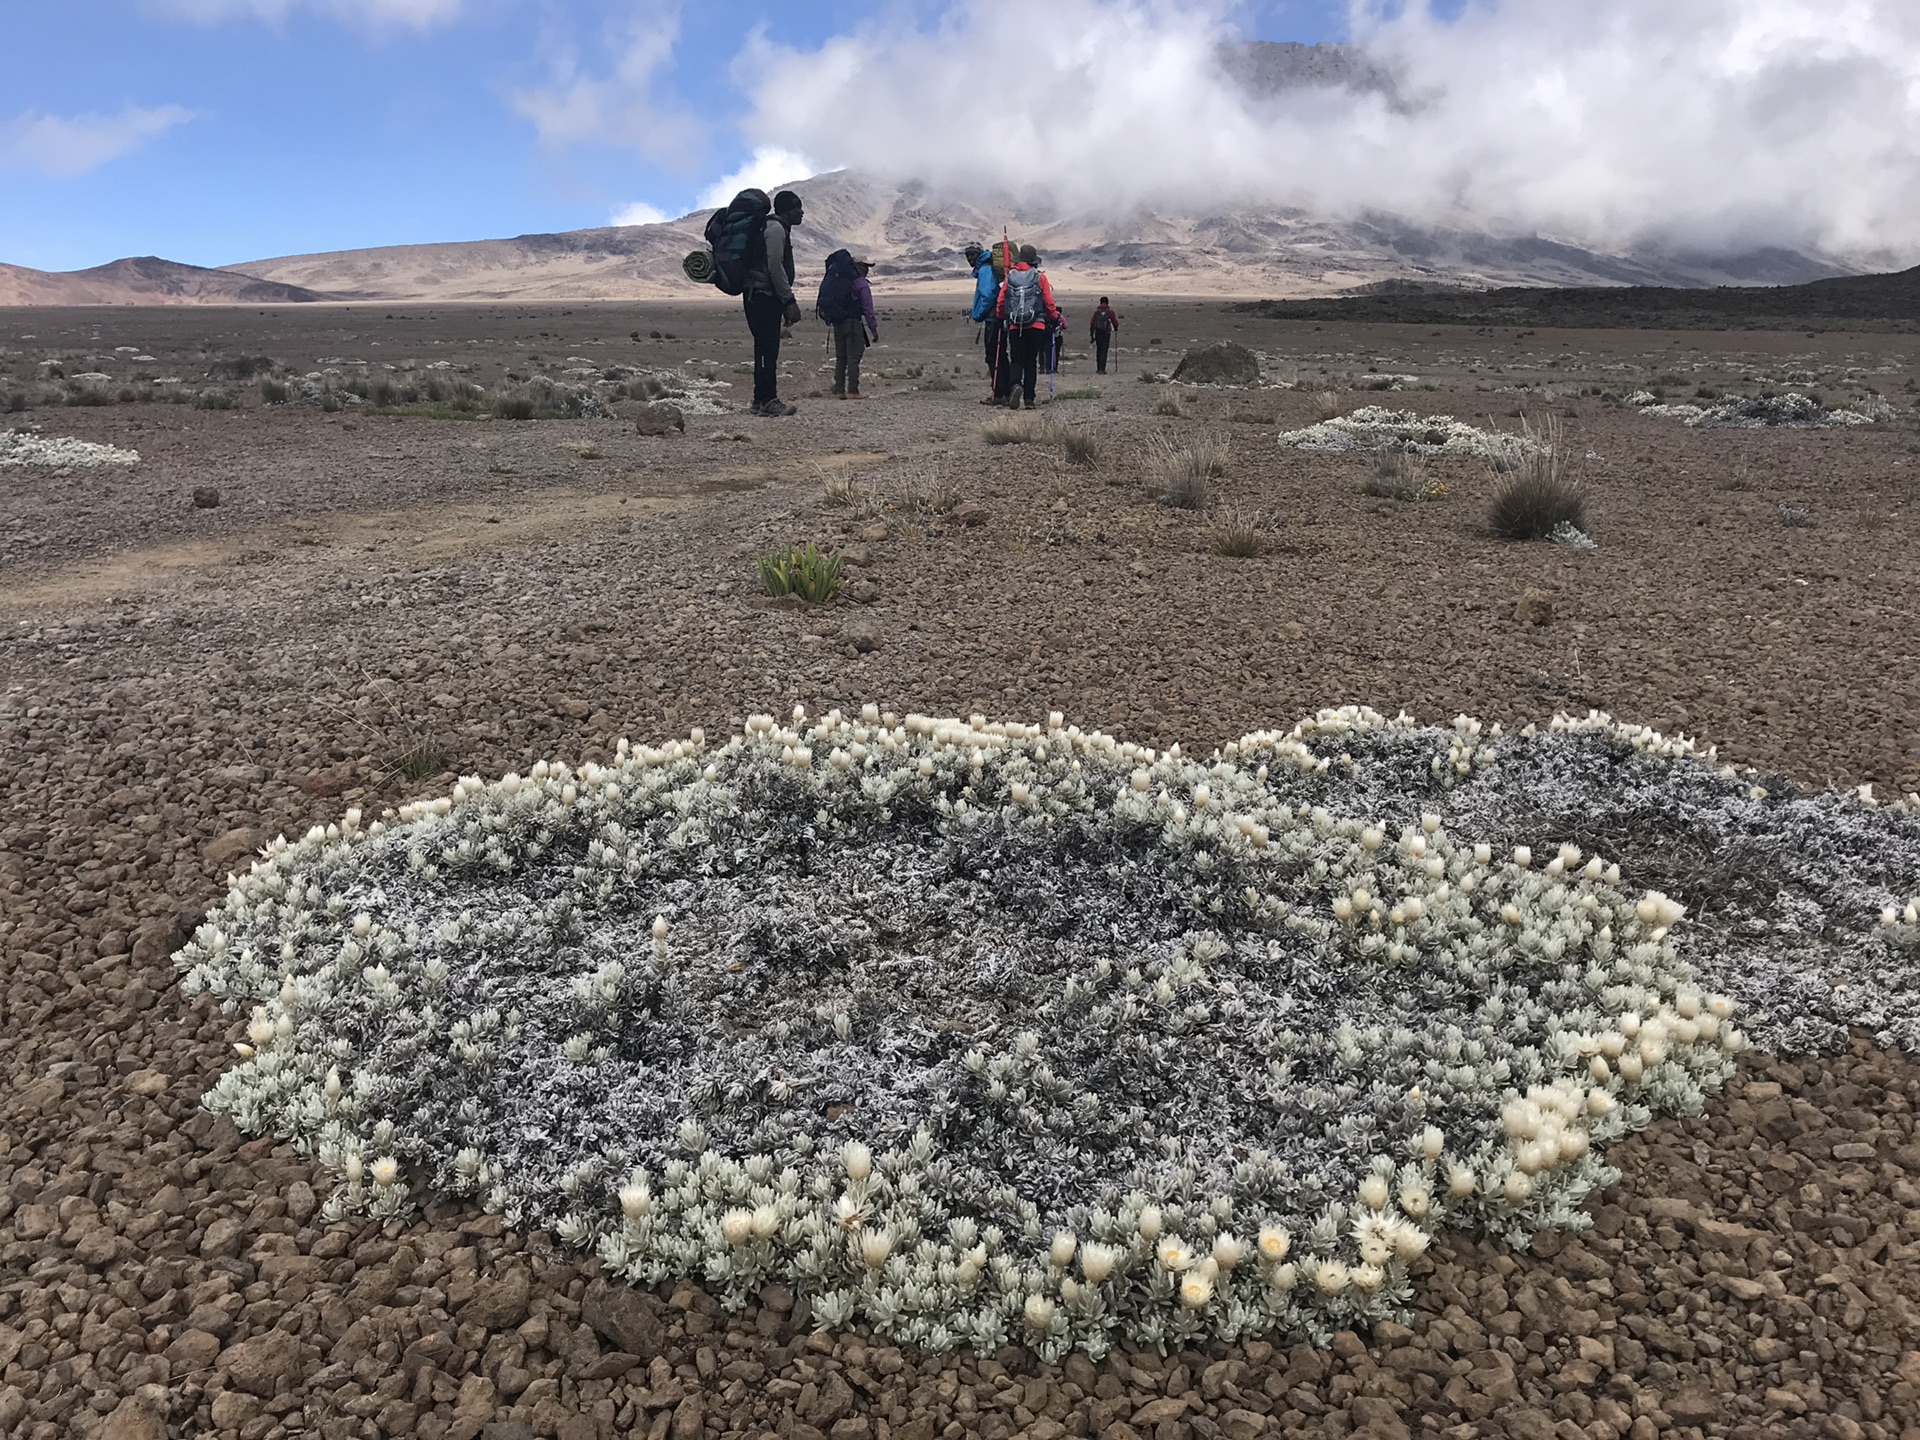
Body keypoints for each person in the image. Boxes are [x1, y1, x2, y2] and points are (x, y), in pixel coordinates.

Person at [743, 190, 804, 416]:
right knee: (767, 349)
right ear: (788, 209)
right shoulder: (776, 230)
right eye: (798, 208)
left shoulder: (772, 228)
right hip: (763, 297)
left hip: (759, 296)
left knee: (765, 348)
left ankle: (761, 399)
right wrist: (789, 299)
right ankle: (768, 399)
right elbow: (775, 266)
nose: (802, 212)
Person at [995, 244, 1061, 410]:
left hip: (1015, 325)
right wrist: (1054, 317)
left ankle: (1015, 385)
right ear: (1034, 261)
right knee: (1031, 361)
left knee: (1016, 360)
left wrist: (1001, 316)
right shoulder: (1040, 278)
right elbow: (1048, 301)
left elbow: (1001, 301)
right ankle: (1029, 399)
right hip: (1036, 324)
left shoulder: (1010, 276)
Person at [966, 241, 1012, 404]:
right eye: (968, 255)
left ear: (979, 254)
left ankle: (999, 393)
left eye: (972, 254)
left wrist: (978, 314)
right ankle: (1007, 390)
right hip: (999, 318)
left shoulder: (985, 269)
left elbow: (988, 294)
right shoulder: (988, 266)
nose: (970, 258)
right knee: (1001, 355)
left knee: (993, 357)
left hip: (993, 319)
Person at [834, 254, 880, 399]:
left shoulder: (839, 280)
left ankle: (839, 389)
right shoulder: (861, 283)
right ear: (857, 266)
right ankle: (853, 390)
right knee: (854, 357)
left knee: (841, 357)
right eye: (864, 266)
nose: (867, 269)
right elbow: (868, 308)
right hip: (853, 324)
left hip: (838, 324)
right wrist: (873, 329)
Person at [1090, 296, 1120, 374]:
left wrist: (1092, 335)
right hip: (1106, 333)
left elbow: (1092, 323)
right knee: (1104, 350)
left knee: (1099, 350)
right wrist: (1116, 328)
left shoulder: (1097, 312)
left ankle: (1099, 367)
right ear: (1107, 302)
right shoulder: (1110, 312)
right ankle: (1102, 369)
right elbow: (1115, 322)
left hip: (1098, 332)